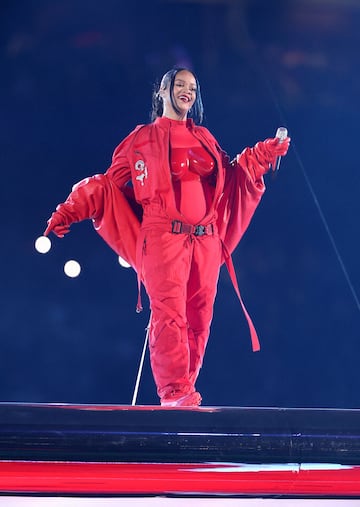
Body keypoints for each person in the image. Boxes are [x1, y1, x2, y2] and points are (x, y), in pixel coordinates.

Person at [44, 67, 290, 407]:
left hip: (205, 238)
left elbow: (232, 174)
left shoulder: (205, 137)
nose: (187, 91)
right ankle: (173, 391)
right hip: (163, 237)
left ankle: (186, 385)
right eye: (180, 85)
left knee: (200, 316)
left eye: (192, 87)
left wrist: (264, 153)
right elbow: (108, 186)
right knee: (169, 313)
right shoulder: (141, 138)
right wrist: (70, 210)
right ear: (162, 90)